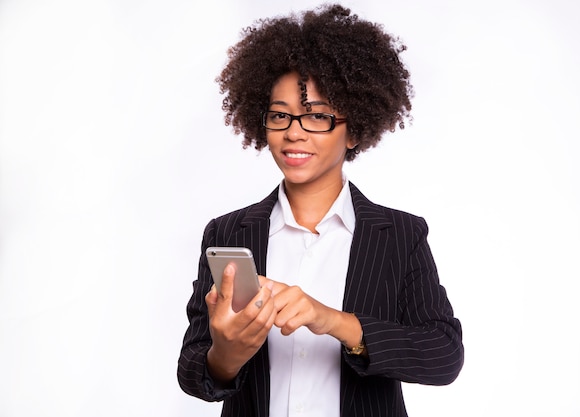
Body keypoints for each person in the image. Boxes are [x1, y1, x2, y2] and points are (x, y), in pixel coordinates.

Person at [177, 4, 463, 417]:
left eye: (316, 116)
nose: (294, 132)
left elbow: (444, 355)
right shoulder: (228, 233)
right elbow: (192, 371)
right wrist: (226, 354)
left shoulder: (400, 234)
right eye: (280, 115)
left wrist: (333, 321)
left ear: (356, 130)